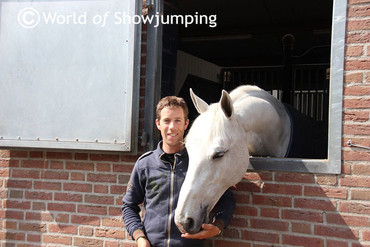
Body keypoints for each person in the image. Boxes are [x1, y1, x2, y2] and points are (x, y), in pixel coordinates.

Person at [122, 95, 235, 247]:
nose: (172, 127)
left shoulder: (199, 162)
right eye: (166, 121)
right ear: (158, 124)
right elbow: (129, 206)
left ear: (186, 123)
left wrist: (218, 226)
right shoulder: (145, 164)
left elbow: (226, 198)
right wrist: (140, 237)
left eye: (178, 121)